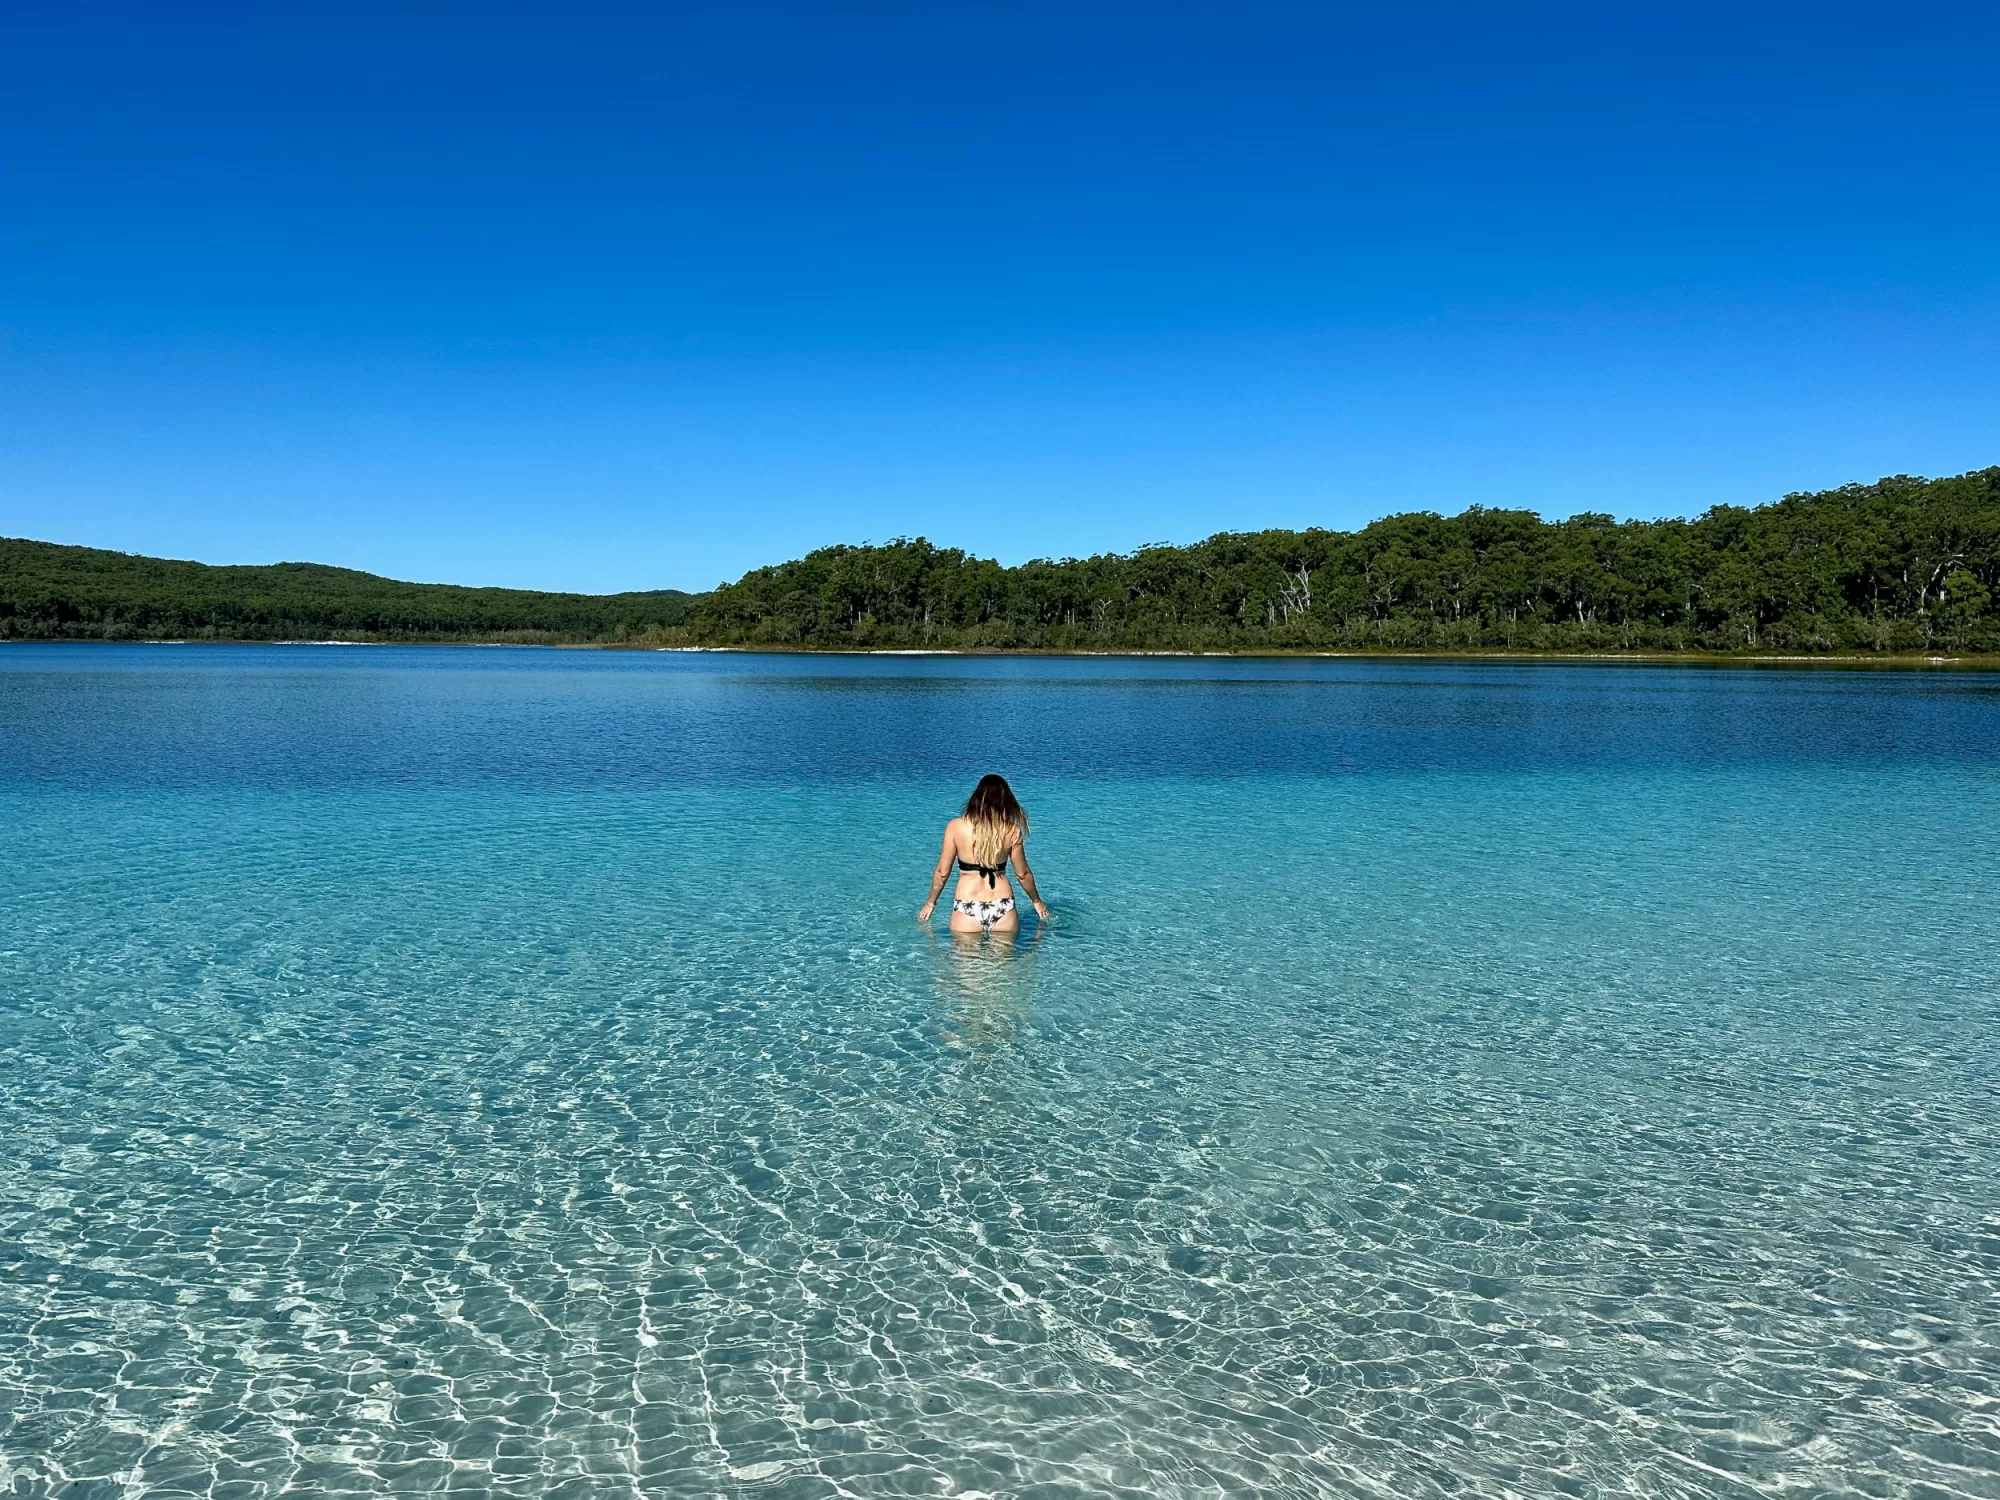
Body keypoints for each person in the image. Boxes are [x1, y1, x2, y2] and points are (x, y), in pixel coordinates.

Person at [917, 774, 1050, 935]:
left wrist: (931, 903)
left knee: (967, 960)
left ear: (976, 797)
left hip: (967, 904)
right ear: (1005, 800)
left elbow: (942, 873)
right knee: (1006, 961)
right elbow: (1022, 874)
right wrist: (1036, 901)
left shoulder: (956, 827)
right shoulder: (1011, 830)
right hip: (1003, 905)